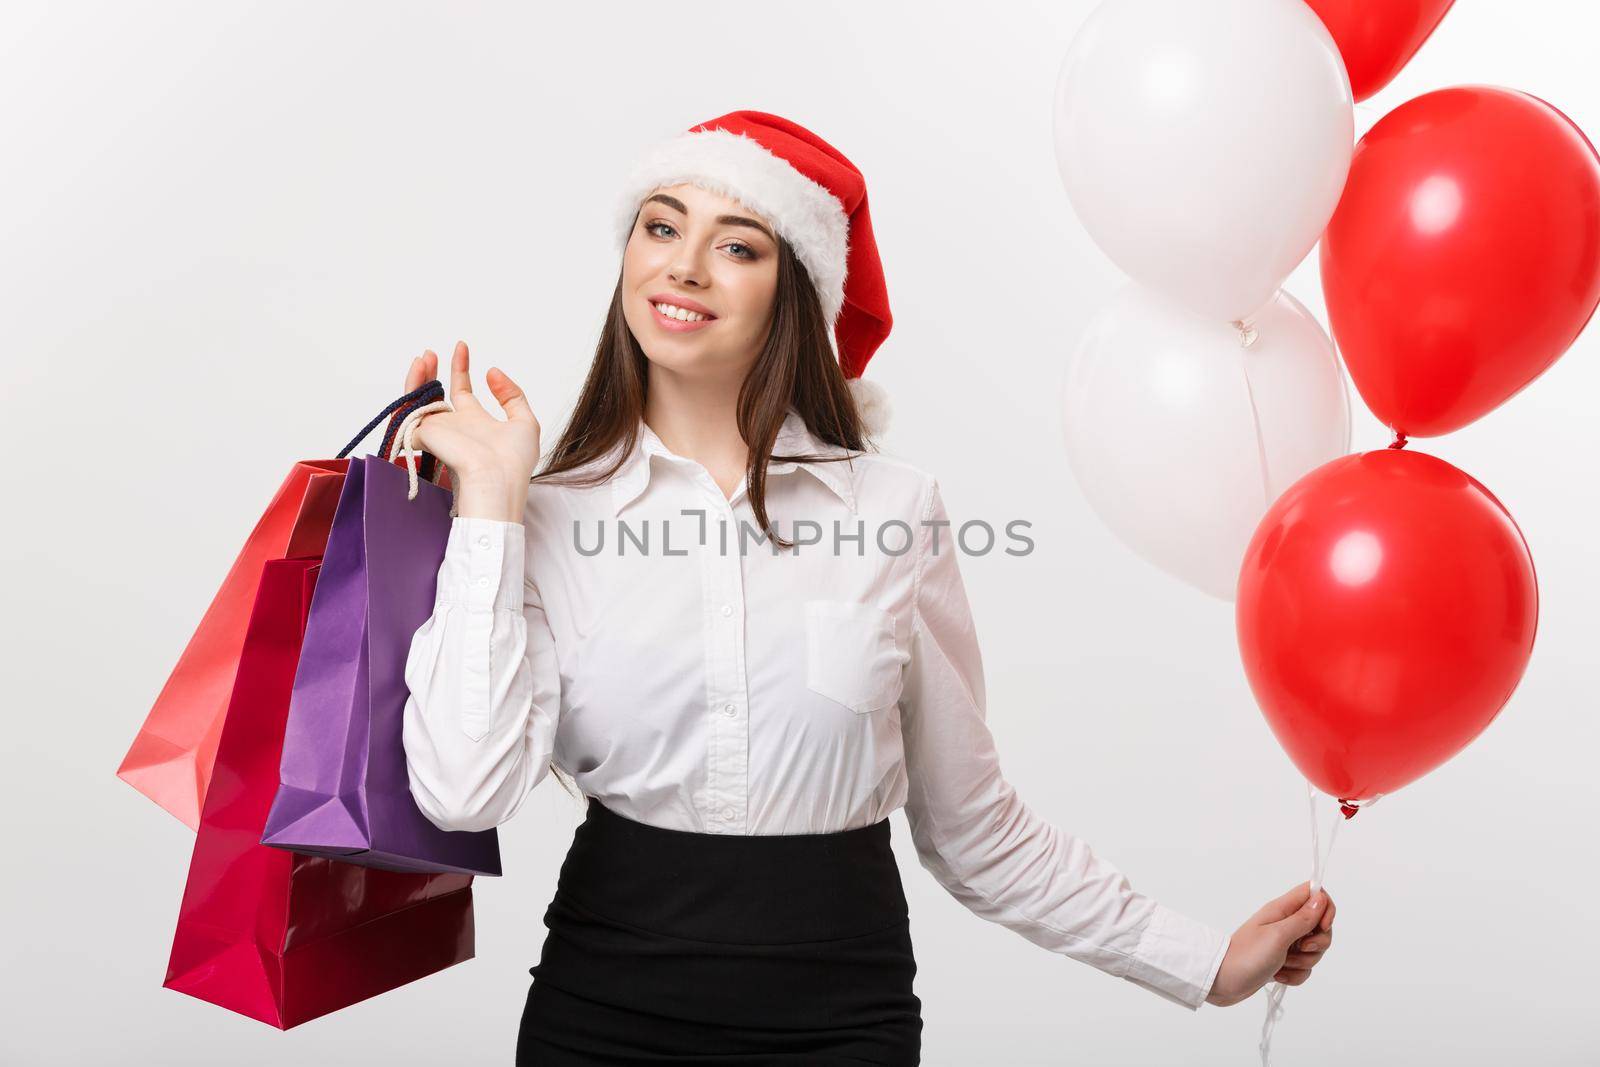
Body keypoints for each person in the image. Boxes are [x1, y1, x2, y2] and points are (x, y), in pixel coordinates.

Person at [398, 110, 1335, 1066]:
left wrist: (1205, 962)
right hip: (604, 1012)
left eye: (738, 246)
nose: (683, 267)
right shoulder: (539, 518)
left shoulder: (894, 513)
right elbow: (463, 793)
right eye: (661, 226)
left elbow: (978, 832)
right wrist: (489, 507)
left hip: (841, 1019)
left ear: (794, 291)